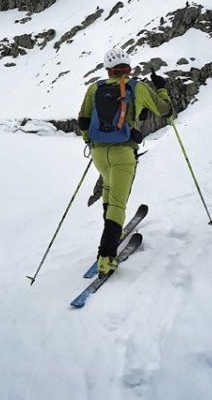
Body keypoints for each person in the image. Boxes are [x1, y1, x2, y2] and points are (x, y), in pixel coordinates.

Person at [77, 47, 172, 276]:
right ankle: (106, 257)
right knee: (118, 204)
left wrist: (92, 142)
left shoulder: (94, 88)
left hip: (99, 153)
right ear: (128, 68)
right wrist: (162, 89)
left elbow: (83, 120)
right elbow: (165, 109)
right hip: (123, 153)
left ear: (108, 70)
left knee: (109, 190)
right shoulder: (137, 87)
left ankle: (112, 232)